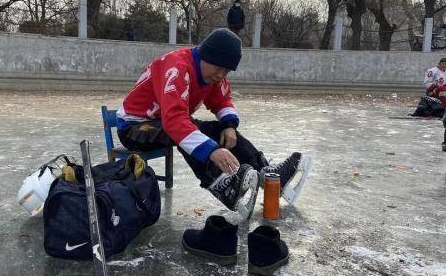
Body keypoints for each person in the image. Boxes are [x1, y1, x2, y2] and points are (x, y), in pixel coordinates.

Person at [116, 28, 312, 220]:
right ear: (205, 55)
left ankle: (267, 172)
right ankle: (222, 184)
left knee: (214, 130)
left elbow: (222, 100)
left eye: (227, 70)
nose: (221, 74)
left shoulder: (213, 73)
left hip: (164, 123)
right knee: (184, 133)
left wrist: (228, 125)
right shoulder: (176, 67)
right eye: (219, 67)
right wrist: (211, 151)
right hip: (135, 128)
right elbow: (174, 121)